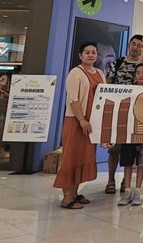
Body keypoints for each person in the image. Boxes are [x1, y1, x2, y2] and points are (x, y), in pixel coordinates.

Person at [54, 42, 106, 209]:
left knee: (83, 157)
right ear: (80, 55)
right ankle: (66, 198)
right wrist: (82, 119)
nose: (91, 55)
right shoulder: (75, 73)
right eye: (87, 52)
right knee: (71, 157)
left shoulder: (100, 73)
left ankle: (75, 194)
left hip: (91, 124)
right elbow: (73, 99)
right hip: (76, 122)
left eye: (93, 52)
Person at [104, 34, 143, 194]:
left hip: (138, 113)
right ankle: (111, 180)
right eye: (134, 44)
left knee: (133, 149)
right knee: (114, 149)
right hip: (119, 112)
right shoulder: (117, 63)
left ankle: (127, 181)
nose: (136, 47)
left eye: (140, 46)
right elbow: (108, 84)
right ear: (129, 44)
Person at [118, 63, 143, 206]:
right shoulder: (129, 91)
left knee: (142, 163)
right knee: (127, 162)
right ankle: (127, 191)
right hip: (129, 131)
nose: (140, 75)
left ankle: (137, 191)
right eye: (138, 73)